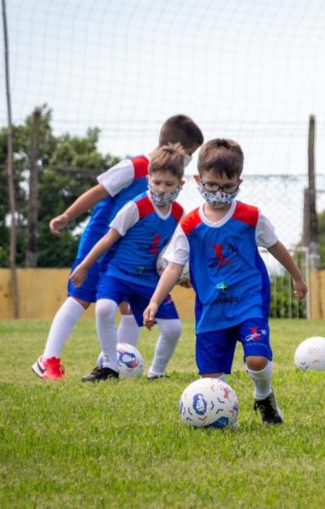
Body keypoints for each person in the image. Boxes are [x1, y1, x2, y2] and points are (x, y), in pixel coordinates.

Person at [143, 138, 308, 423]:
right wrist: (155, 301)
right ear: (198, 180)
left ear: (239, 181)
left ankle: (263, 395)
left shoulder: (250, 217)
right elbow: (173, 267)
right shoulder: (190, 225)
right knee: (211, 382)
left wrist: (297, 278)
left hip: (248, 302)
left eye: (228, 187)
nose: (220, 193)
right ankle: (221, 415)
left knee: (256, 359)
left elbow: (275, 246)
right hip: (211, 309)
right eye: (211, 186)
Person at [32, 115, 203, 380]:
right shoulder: (134, 167)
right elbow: (98, 192)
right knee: (81, 296)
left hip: (131, 250)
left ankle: (122, 363)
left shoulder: (167, 184)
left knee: (128, 305)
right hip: (103, 237)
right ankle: (48, 358)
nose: (188, 159)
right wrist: (67, 216)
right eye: (189, 153)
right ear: (173, 146)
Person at [70, 143, 188, 381]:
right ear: (148, 180)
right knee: (104, 309)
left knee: (174, 328)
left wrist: (186, 275)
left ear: (180, 185)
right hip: (117, 273)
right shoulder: (135, 207)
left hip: (149, 280)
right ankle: (110, 366)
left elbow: (177, 251)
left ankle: (157, 373)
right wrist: (84, 267)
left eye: (168, 184)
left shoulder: (179, 214)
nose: (162, 189)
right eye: (157, 183)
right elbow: (107, 238)